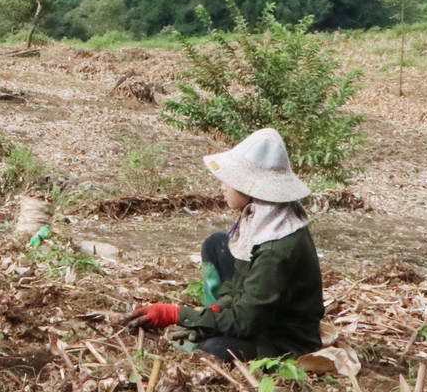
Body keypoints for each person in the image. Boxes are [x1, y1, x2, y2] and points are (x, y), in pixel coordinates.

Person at [124, 128, 324, 362]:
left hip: (283, 341)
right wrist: (212, 313)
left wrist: (178, 315)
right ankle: (214, 321)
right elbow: (240, 283)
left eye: (230, 180)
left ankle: (213, 329)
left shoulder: (274, 249)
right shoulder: (265, 216)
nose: (222, 186)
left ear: (250, 187)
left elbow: (245, 321)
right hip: (263, 316)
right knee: (217, 245)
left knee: (212, 350)